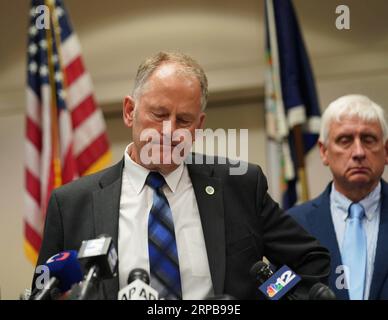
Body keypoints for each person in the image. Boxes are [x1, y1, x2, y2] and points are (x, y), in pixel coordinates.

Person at [34, 51, 330, 300]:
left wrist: (269, 294)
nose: (169, 131)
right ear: (129, 111)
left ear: (198, 126)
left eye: (183, 120)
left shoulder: (239, 185)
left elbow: (309, 263)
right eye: (159, 115)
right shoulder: (71, 204)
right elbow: (44, 290)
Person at [288, 94, 388, 300]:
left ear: (386, 151)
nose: (358, 152)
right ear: (324, 151)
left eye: (368, 140)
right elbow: (273, 291)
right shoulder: (294, 225)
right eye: (345, 140)